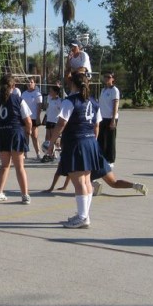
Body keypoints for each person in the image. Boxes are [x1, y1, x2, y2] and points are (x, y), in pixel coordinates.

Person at [42, 71, 100, 228]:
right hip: (90, 142)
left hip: (76, 142)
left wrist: (51, 143)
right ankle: (84, 215)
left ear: (73, 84)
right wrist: (93, 143)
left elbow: (61, 124)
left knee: (79, 182)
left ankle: (82, 217)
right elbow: (96, 126)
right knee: (86, 180)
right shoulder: (94, 101)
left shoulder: (70, 101)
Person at [0, 73, 32, 204]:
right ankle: (25, 195)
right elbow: (28, 120)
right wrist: (27, 132)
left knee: (4, 165)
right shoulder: (18, 99)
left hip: (1, 133)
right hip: (15, 133)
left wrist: (0, 122)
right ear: (13, 86)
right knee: (19, 167)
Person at [21, 77, 43, 161]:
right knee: (25, 135)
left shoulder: (37, 94)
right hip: (25, 117)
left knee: (34, 136)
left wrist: (38, 117)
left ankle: (38, 154)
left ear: (34, 84)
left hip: (33, 118)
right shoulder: (24, 94)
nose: (29, 83)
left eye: (31, 82)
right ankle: (25, 154)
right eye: (28, 82)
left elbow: (39, 106)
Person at [41, 84, 63, 164]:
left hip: (55, 121)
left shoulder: (59, 101)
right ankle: (50, 154)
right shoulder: (49, 99)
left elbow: (61, 111)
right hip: (49, 120)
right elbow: (47, 109)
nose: (49, 92)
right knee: (48, 138)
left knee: (56, 140)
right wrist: (45, 118)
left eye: (51, 91)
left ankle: (61, 155)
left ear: (55, 92)